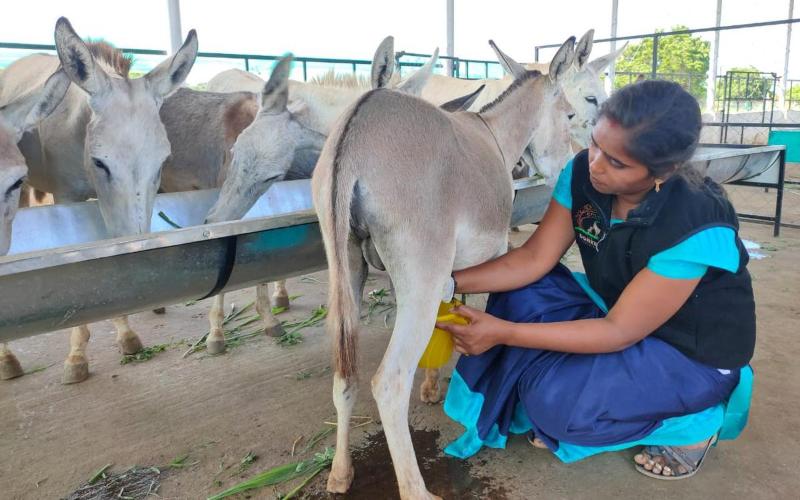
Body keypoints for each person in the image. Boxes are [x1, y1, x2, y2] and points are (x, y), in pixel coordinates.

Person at [436, 79, 756, 480]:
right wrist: (443, 283)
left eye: (617, 162)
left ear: (664, 170)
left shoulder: (693, 224)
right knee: (522, 291)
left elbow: (617, 331)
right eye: (594, 144)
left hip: (687, 354)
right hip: (618, 311)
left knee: (553, 405)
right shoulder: (583, 174)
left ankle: (696, 423)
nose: (595, 164)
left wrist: (502, 333)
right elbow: (534, 257)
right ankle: (585, 384)